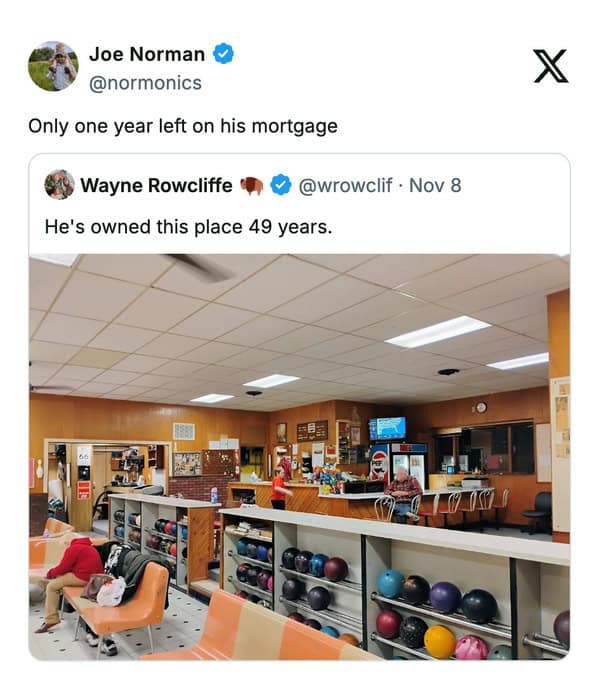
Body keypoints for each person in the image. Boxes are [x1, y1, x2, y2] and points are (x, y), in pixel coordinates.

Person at [35, 536, 103, 634]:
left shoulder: (73, 548)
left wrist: (49, 573)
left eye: (64, 546)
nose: (64, 548)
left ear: (67, 543)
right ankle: (52, 615)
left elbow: (63, 567)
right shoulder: (87, 547)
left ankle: (51, 619)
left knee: (52, 586)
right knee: (57, 578)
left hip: (83, 578)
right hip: (93, 578)